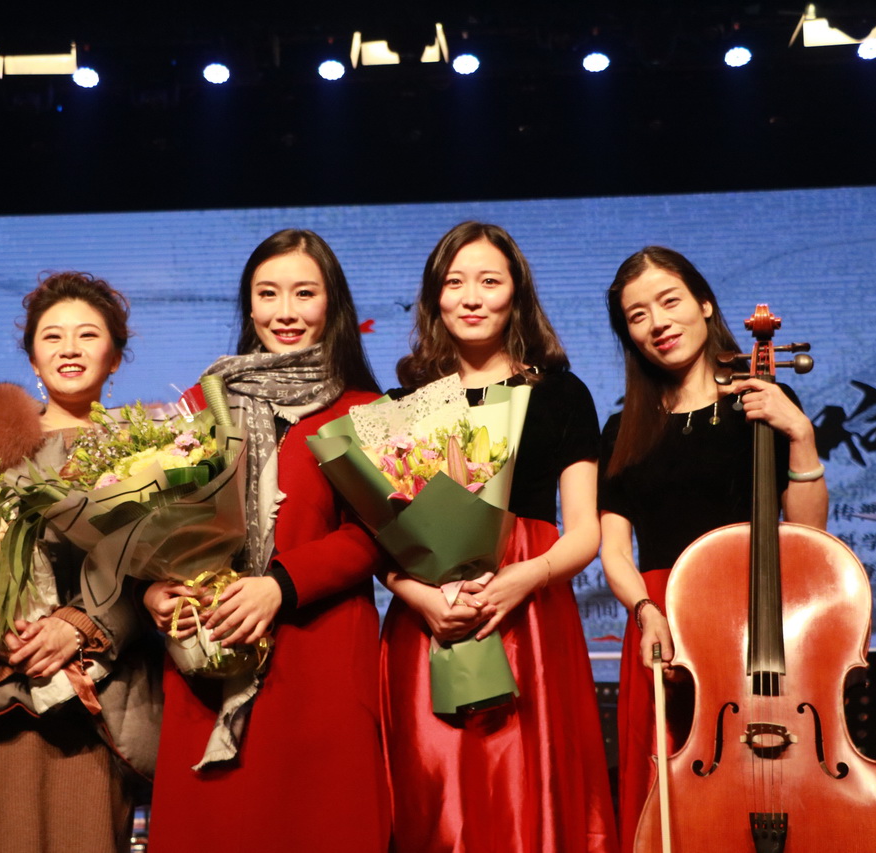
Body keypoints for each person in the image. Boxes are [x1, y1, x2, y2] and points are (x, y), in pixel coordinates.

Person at [142, 229, 390, 852]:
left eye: (304, 293)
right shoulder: (201, 403)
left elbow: (376, 534)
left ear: (332, 303)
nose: (285, 311)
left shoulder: (368, 409)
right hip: (210, 653)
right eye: (267, 293)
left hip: (319, 660)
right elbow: (156, 528)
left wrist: (280, 585)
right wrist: (155, 590)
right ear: (248, 305)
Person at [0, 272, 163, 852]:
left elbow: (154, 572)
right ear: (32, 358)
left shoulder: (150, 452)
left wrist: (82, 627)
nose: (69, 349)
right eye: (52, 336)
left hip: (97, 701)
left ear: (115, 356)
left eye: (87, 335)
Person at [380, 221, 618, 853]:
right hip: (431, 618)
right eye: (454, 283)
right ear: (434, 297)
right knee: (437, 799)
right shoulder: (405, 402)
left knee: (528, 787)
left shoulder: (561, 393)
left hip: (530, 610)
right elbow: (381, 542)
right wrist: (419, 596)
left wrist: (524, 577)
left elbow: (584, 531)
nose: (472, 297)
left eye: (489, 281)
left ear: (517, 293)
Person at [596, 246, 829, 852]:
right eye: (637, 315)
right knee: (671, 800)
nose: (658, 323)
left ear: (704, 304)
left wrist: (800, 434)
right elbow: (614, 549)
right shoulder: (622, 431)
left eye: (669, 301)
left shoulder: (764, 401)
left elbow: (808, 536)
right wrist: (644, 610)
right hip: (663, 623)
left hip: (756, 618)